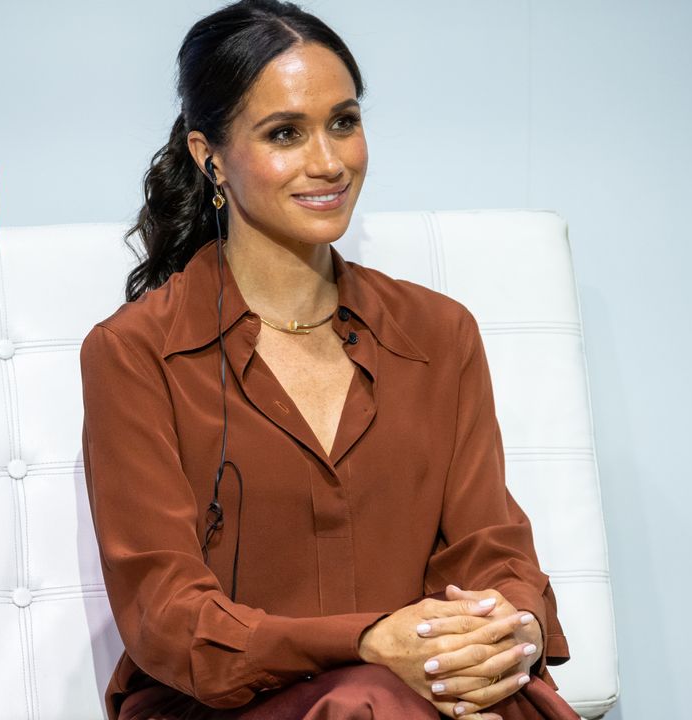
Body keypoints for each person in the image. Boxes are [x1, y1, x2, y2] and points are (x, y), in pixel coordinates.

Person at [78, 2, 577, 718]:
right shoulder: (134, 354)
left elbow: (491, 549)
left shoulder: (440, 335)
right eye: (286, 133)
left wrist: (512, 626)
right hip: (226, 704)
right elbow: (167, 614)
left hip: (419, 691)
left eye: (344, 121)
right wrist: (369, 641)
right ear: (208, 155)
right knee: (367, 702)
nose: (329, 161)